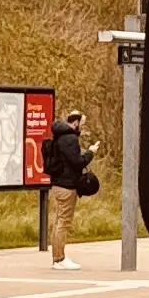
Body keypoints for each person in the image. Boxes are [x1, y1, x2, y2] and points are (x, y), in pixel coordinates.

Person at [40, 106, 99, 267]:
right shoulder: (70, 139)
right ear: (76, 123)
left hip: (58, 184)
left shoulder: (59, 136)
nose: (82, 127)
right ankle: (59, 259)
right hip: (67, 186)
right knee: (64, 222)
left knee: (59, 220)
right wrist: (91, 152)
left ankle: (57, 258)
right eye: (82, 123)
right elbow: (78, 162)